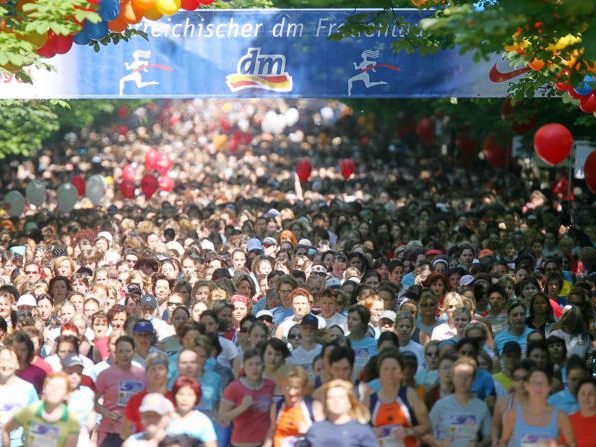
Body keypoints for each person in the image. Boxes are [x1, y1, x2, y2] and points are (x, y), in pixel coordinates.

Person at [366, 349, 431, 446]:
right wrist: (372, 432)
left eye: (394, 368)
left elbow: (427, 426)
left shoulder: (410, 394)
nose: (390, 373)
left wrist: (408, 431)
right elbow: (360, 432)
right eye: (386, 369)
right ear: (379, 372)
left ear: (401, 372)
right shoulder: (371, 399)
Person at [500, 365, 576, 447]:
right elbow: (503, 441)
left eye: (543, 383)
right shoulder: (514, 414)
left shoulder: (560, 416)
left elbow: (573, 444)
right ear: (526, 386)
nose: (538, 387)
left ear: (549, 387)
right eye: (534, 383)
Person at [1, 371, 80, 447]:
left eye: (60, 387)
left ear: (66, 395)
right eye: (51, 385)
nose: (54, 390)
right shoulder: (31, 410)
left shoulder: (72, 420)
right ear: (44, 389)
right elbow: (6, 430)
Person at [95, 335, 147, 447]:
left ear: (134, 352)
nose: (125, 355)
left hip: (134, 432)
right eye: (121, 351)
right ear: (115, 353)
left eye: (128, 351)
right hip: (110, 431)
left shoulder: (143, 375)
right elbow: (93, 401)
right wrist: (105, 412)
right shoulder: (105, 374)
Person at [427, 357, 491, 447]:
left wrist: (479, 445)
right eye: (459, 376)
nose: (463, 381)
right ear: (453, 378)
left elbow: (489, 437)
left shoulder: (482, 406)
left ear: (473, 380)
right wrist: (440, 444)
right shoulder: (440, 405)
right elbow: (425, 434)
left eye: (467, 377)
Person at [219, 348, 275, 447]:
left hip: (264, 443)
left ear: (263, 366)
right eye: (250, 364)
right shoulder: (234, 388)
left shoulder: (270, 385)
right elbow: (222, 419)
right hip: (240, 444)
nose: (254, 368)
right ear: (244, 366)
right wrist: (242, 407)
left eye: (258, 364)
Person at [305, 379, 378, 447]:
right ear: (326, 402)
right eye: (331, 397)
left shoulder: (362, 431)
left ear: (350, 402)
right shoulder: (316, 429)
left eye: (341, 397)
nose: (336, 401)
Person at [121, 352, 173, 440]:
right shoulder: (136, 399)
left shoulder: (174, 398)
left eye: (161, 368)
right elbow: (125, 431)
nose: (157, 373)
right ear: (146, 372)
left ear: (167, 372)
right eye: (153, 369)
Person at [263, 365, 314, 447]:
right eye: (287, 387)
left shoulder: (312, 406)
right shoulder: (277, 407)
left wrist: (309, 431)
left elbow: (322, 435)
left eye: (296, 388)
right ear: (281, 387)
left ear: (303, 388)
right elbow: (272, 430)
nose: (291, 392)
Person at [0, 346, 39, 447]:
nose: (5, 364)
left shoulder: (28, 389)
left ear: (18, 364)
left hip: (19, 444)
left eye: (10, 360)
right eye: (2, 360)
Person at [165, 376, 217, 447]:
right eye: (181, 394)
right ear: (174, 395)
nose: (185, 399)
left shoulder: (203, 421)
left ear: (196, 398)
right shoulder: (164, 418)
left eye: (190, 395)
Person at [569, 378, 596, 447]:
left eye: (591, 394)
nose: (586, 397)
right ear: (577, 396)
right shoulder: (568, 421)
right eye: (582, 394)